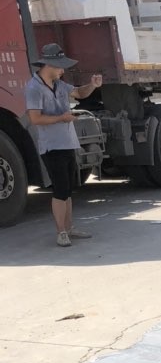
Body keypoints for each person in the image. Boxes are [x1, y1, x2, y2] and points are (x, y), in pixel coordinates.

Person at [25, 43, 102, 248]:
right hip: (52, 147)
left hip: (68, 143)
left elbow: (79, 93)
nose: (62, 70)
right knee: (60, 190)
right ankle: (61, 233)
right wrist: (62, 118)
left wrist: (92, 85)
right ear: (48, 64)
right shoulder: (33, 88)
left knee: (68, 189)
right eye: (60, 66)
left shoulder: (59, 84)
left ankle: (69, 228)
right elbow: (35, 119)